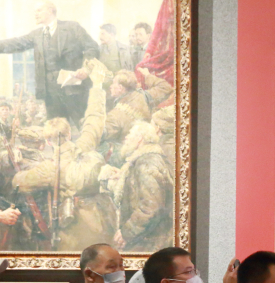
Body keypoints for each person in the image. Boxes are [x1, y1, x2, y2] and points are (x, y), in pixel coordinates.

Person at [12, 66, 116, 251]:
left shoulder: (49, 168)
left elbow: (18, 183)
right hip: (99, 224)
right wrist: (97, 86)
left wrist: (21, 162)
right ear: (68, 134)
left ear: (48, 142)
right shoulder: (84, 147)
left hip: (71, 233)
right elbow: (94, 120)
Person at [0, 1, 99, 127]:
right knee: (56, 130)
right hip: (50, 94)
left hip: (75, 90)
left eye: (39, 10)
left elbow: (92, 47)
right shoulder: (36, 35)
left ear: (51, 11)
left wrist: (86, 69)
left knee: (85, 127)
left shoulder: (72, 28)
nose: (35, 14)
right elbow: (16, 43)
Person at [113, 121, 174, 252]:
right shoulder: (147, 159)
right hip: (147, 236)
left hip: (150, 240)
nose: (126, 138)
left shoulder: (147, 163)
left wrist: (127, 232)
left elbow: (151, 205)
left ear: (139, 138)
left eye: (130, 134)